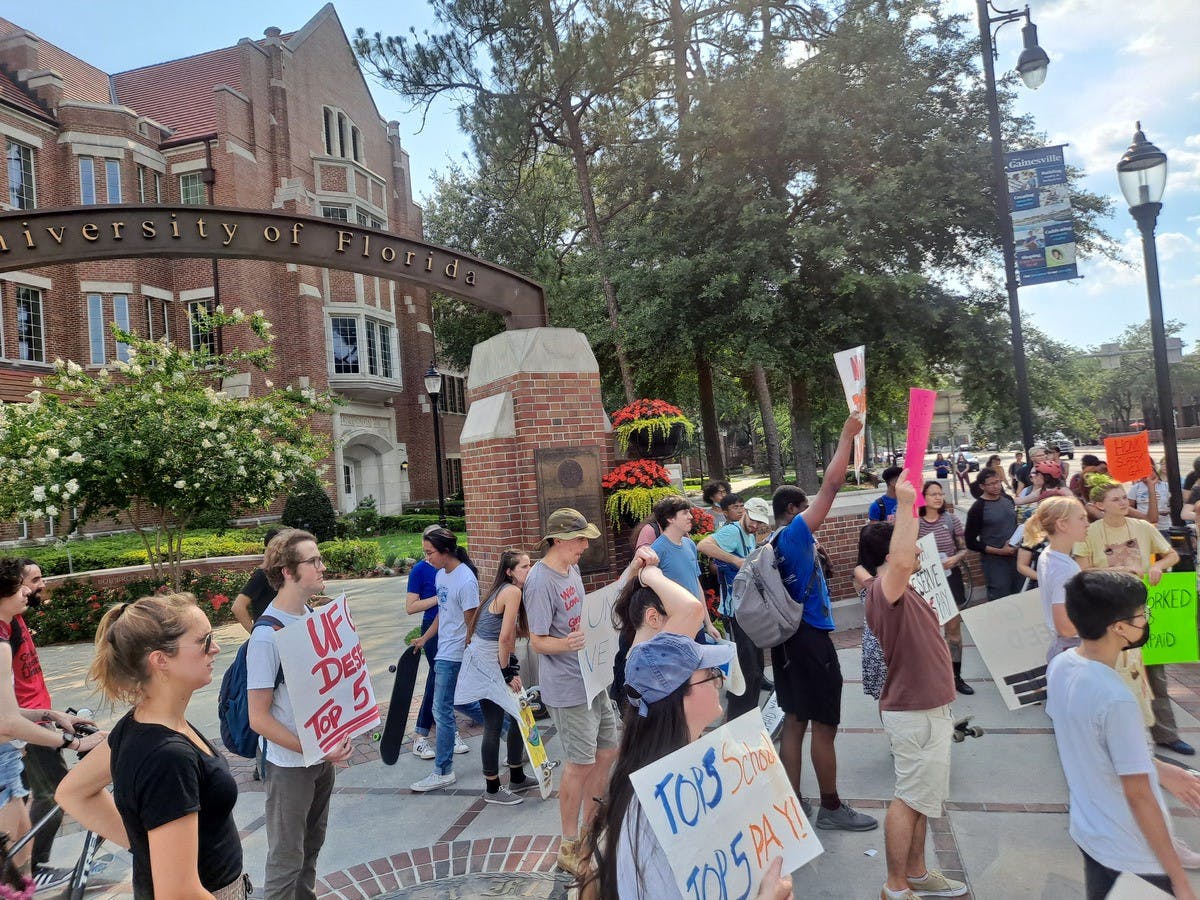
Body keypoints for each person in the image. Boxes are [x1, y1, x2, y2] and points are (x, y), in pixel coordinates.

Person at [56, 592, 243, 899]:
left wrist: (144, 846)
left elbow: (73, 792)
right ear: (160, 660)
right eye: (204, 641)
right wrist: (144, 846)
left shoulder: (140, 723)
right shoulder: (167, 756)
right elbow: (178, 892)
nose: (216, 648)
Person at [579, 632, 793, 900]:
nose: (720, 679)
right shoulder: (659, 804)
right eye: (711, 673)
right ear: (678, 697)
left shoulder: (677, 772)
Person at [1046, 570, 1200, 900]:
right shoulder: (1116, 699)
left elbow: (1093, 742)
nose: (1145, 621)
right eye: (1141, 614)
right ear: (1118, 627)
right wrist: (1178, 879)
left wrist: (1159, 768)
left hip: (1090, 832)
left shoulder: (1061, 665)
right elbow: (1139, 796)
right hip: (1133, 852)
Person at [524, 508, 651, 875]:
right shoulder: (539, 581)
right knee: (579, 762)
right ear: (560, 540)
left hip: (593, 678)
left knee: (608, 749)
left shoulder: (572, 569)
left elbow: (587, 610)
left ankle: (590, 828)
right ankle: (568, 845)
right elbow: (537, 641)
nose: (585, 545)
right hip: (568, 687)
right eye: (580, 539)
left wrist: (632, 572)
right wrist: (567, 644)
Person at [769, 412, 877, 832]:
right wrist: (847, 435)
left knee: (794, 721)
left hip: (787, 643)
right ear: (795, 511)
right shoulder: (795, 534)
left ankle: (793, 803)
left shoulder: (771, 542)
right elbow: (831, 486)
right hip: (811, 641)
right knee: (824, 725)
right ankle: (831, 808)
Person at [862, 476, 968, 900]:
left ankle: (918, 873)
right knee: (909, 798)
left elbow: (906, 560)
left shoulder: (902, 589)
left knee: (923, 799)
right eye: (911, 542)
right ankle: (896, 885)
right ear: (893, 554)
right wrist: (906, 506)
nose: (920, 547)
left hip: (927, 708)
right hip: (915, 712)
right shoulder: (886, 589)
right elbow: (904, 560)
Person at [246, 529, 354, 900]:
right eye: (314, 560)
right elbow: (258, 718)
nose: (322, 566)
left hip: (321, 757)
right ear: (288, 572)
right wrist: (315, 750)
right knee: (286, 859)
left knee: (311, 847)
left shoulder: (312, 616)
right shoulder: (266, 635)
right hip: (291, 765)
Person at [0, 560, 104, 877]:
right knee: (12, 866)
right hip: (7, 748)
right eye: (22, 584)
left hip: (8, 756)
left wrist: (51, 714)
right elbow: (6, 721)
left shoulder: (7, 630)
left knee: (19, 862)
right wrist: (73, 742)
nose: (29, 590)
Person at [1075, 479, 1191, 756]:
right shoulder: (1090, 533)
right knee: (1113, 674)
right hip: (1108, 613)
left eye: (1124, 497)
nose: (1124, 502)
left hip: (1142, 611)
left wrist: (1159, 566)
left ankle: (1166, 733)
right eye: (1116, 499)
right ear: (1099, 506)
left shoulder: (1142, 527)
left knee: (1155, 673)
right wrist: (1116, 575)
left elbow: (1172, 555)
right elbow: (1082, 570)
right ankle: (1116, 735)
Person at [454, 550, 533, 805]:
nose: (528, 570)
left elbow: (506, 636)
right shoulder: (512, 592)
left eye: (530, 565)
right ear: (509, 571)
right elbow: (504, 637)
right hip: (487, 659)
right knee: (495, 722)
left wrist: (510, 663)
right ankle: (492, 789)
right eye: (523, 567)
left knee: (518, 715)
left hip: (489, 655)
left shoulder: (504, 589)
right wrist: (508, 671)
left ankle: (518, 776)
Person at [410, 527, 482, 792]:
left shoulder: (465, 580)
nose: (427, 558)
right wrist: (425, 637)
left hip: (455, 655)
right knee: (462, 703)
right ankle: (510, 726)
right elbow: (443, 613)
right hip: (443, 649)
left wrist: (466, 656)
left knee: (442, 708)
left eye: (430, 553)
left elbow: (470, 623)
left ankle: (443, 771)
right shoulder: (442, 575)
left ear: (445, 551)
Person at [697, 495, 774, 719]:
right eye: (753, 519)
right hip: (737, 612)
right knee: (749, 670)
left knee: (755, 669)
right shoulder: (733, 532)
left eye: (760, 522)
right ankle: (739, 720)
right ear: (745, 512)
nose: (756, 525)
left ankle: (746, 716)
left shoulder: (749, 534)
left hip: (747, 610)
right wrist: (735, 560)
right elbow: (704, 545)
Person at [917, 481, 972, 694]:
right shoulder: (916, 523)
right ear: (923, 498)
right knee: (928, 631)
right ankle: (932, 676)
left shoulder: (951, 520)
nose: (938, 498)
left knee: (953, 629)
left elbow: (964, 548)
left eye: (940, 494)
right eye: (933, 494)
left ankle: (956, 676)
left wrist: (955, 558)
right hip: (925, 581)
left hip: (950, 578)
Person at [1024, 496, 1089, 661]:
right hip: (1073, 648)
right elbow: (1065, 627)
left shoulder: (1048, 555)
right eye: (1081, 518)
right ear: (1062, 524)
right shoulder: (1065, 568)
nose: (1087, 523)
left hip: (1063, 647)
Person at [649, 495, 721, 640]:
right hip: (676, 630)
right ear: (670, 518)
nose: (690, 517)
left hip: (698, 626)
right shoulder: (656, 550)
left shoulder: (689, 544)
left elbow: (696, 584)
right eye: (685, 513)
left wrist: (708, 623)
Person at [965, 469, 1022, 601]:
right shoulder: (977, 508)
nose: (996, 486)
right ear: (982, 486)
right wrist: (1000, 551)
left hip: (1017, 557)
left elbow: (1013, 524)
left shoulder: (1007, 499)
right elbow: (971, 542)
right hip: (994, 563)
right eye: (991, 484)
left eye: (997, 482)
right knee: (1001, 598)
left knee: (1021, 594)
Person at [231, 528, 282, 632]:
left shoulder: (284, 572)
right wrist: (254, 633)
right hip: (269, 635)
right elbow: (238, 607)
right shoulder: (263, 574)